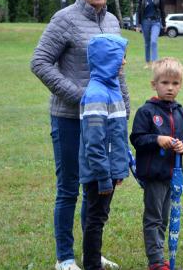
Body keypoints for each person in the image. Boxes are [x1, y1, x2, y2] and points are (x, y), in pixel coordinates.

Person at [31, 0, 128, 270]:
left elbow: (118, 72)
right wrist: (80, 96)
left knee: (95, 185)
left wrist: (124, 109)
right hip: (70, 119)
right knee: (70, 187)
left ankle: (90, 253)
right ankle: (65, 257)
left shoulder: (113, 21)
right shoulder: (65, 20)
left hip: (105, 121)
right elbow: (40, 62)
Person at [130, 57, 183, 270]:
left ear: (180, 85)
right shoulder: (147, 112)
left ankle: (159, 254)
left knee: (165, 217)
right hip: (153, 174)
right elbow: (137, 138)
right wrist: (157, 139)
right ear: (154, 84)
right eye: (165, 83)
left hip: (172, 176)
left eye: (175, 84)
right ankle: (156, 261)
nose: (170, 88)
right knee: (154, 218)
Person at [78, 34, 129, 270]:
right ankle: (92, 265)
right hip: (100, 174)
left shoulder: (112, 89)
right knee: (95, 220)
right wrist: (103, 177)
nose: (124, 63)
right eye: (120, 58)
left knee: (99, 217)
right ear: (107, 59)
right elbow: (94, 143)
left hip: (109, 171)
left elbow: (117, 135)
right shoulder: (97, 93)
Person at [136, 0, 166, 69]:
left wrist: (164, 24)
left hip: (156, 22)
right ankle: (147, 62)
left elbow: (162, 10)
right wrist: (138, 25)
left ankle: (154, 62)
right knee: (147, 43)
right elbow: (138, 11)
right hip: (145, 22)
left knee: (153, 41)